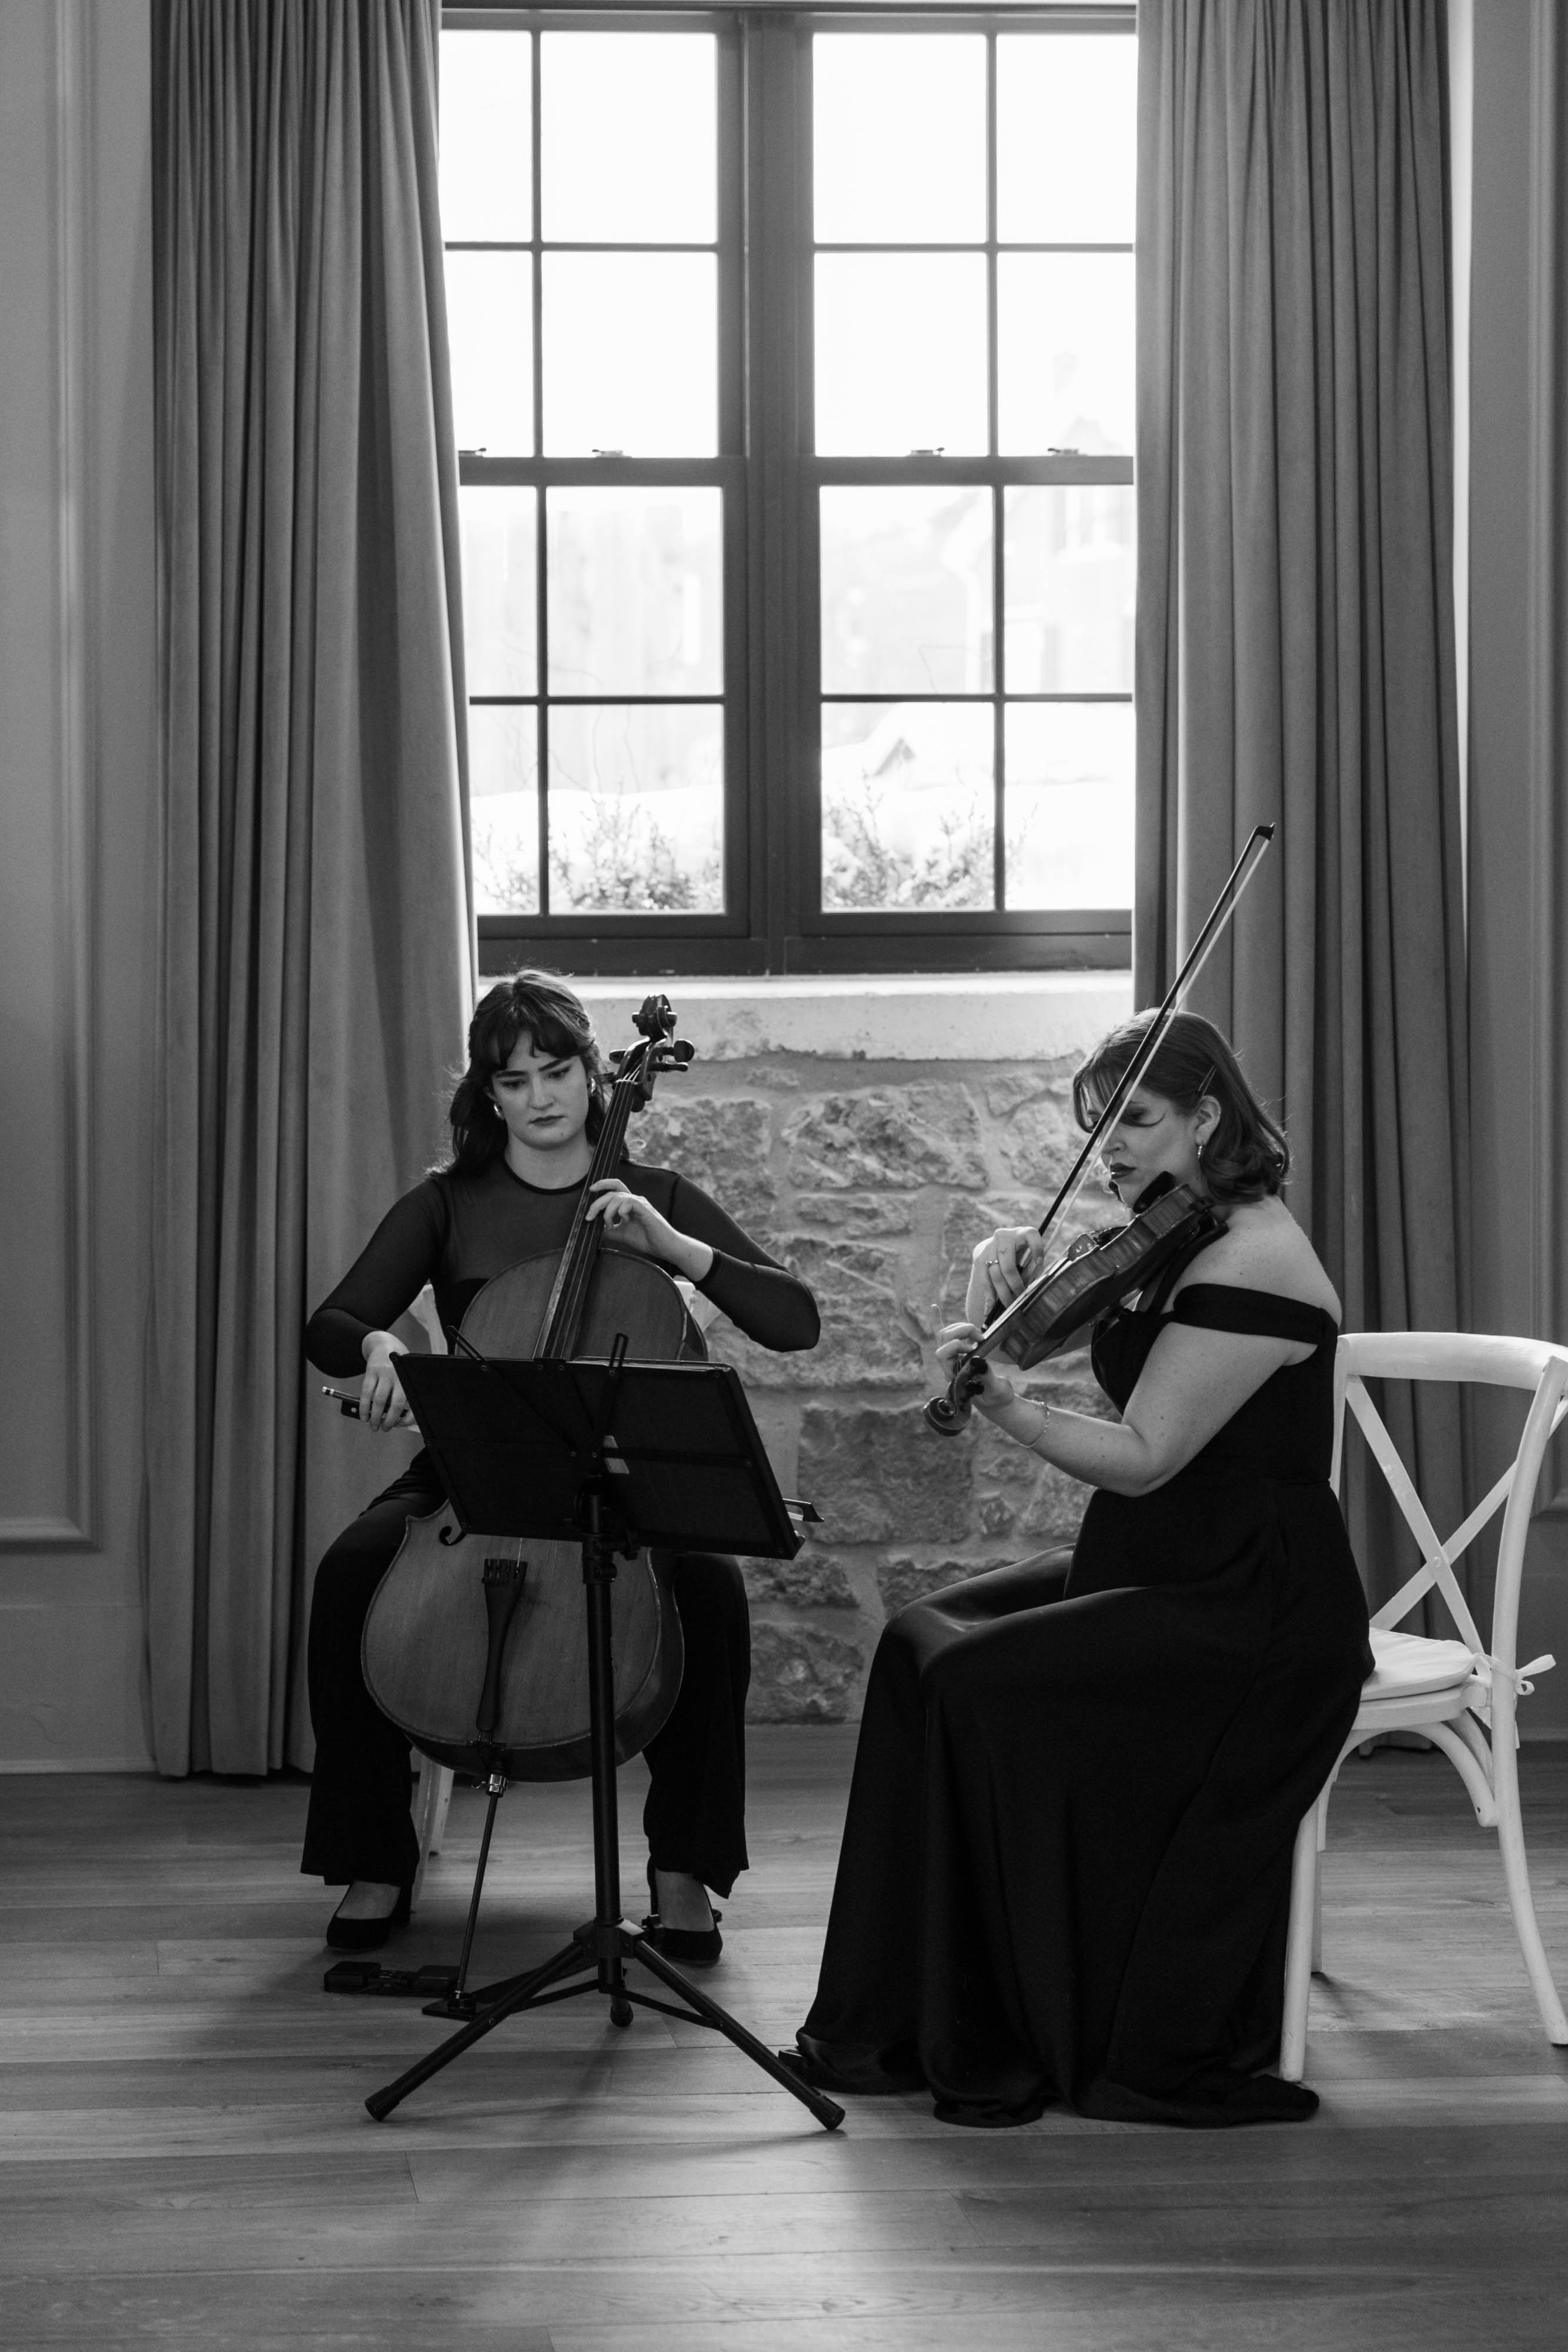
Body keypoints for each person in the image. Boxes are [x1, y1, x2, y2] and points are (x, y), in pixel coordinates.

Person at [783, 1009, 1372, 2129]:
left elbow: (1145, 1460)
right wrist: (981, 1283)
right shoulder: (1176, 1233)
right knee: (917, 1642)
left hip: (1250, 1603)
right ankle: (893, 2021)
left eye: (1137, 1122)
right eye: (1101, 1126)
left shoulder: (1258, 1260)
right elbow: (1009, 1344)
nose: (1113, 1150)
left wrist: (1007, 1405)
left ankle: (993, 2028)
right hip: (1153, 1565)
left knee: (972, 1681)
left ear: (1208, 1117)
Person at [302, 971, 819, 1955]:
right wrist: (381, 1348)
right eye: (512, 1080)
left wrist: (676, 1249)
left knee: (708, 1594)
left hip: (624, 1481)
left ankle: (682, 1869)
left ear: (594, 1073)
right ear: (486, 1094)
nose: (539, 1097)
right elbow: (334, 1321)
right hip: (478, 1478)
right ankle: (374, 1859)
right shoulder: (449, 1204)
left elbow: (796, 1322)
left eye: (556, 1071)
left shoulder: (653, 1198)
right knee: (350, 1575)